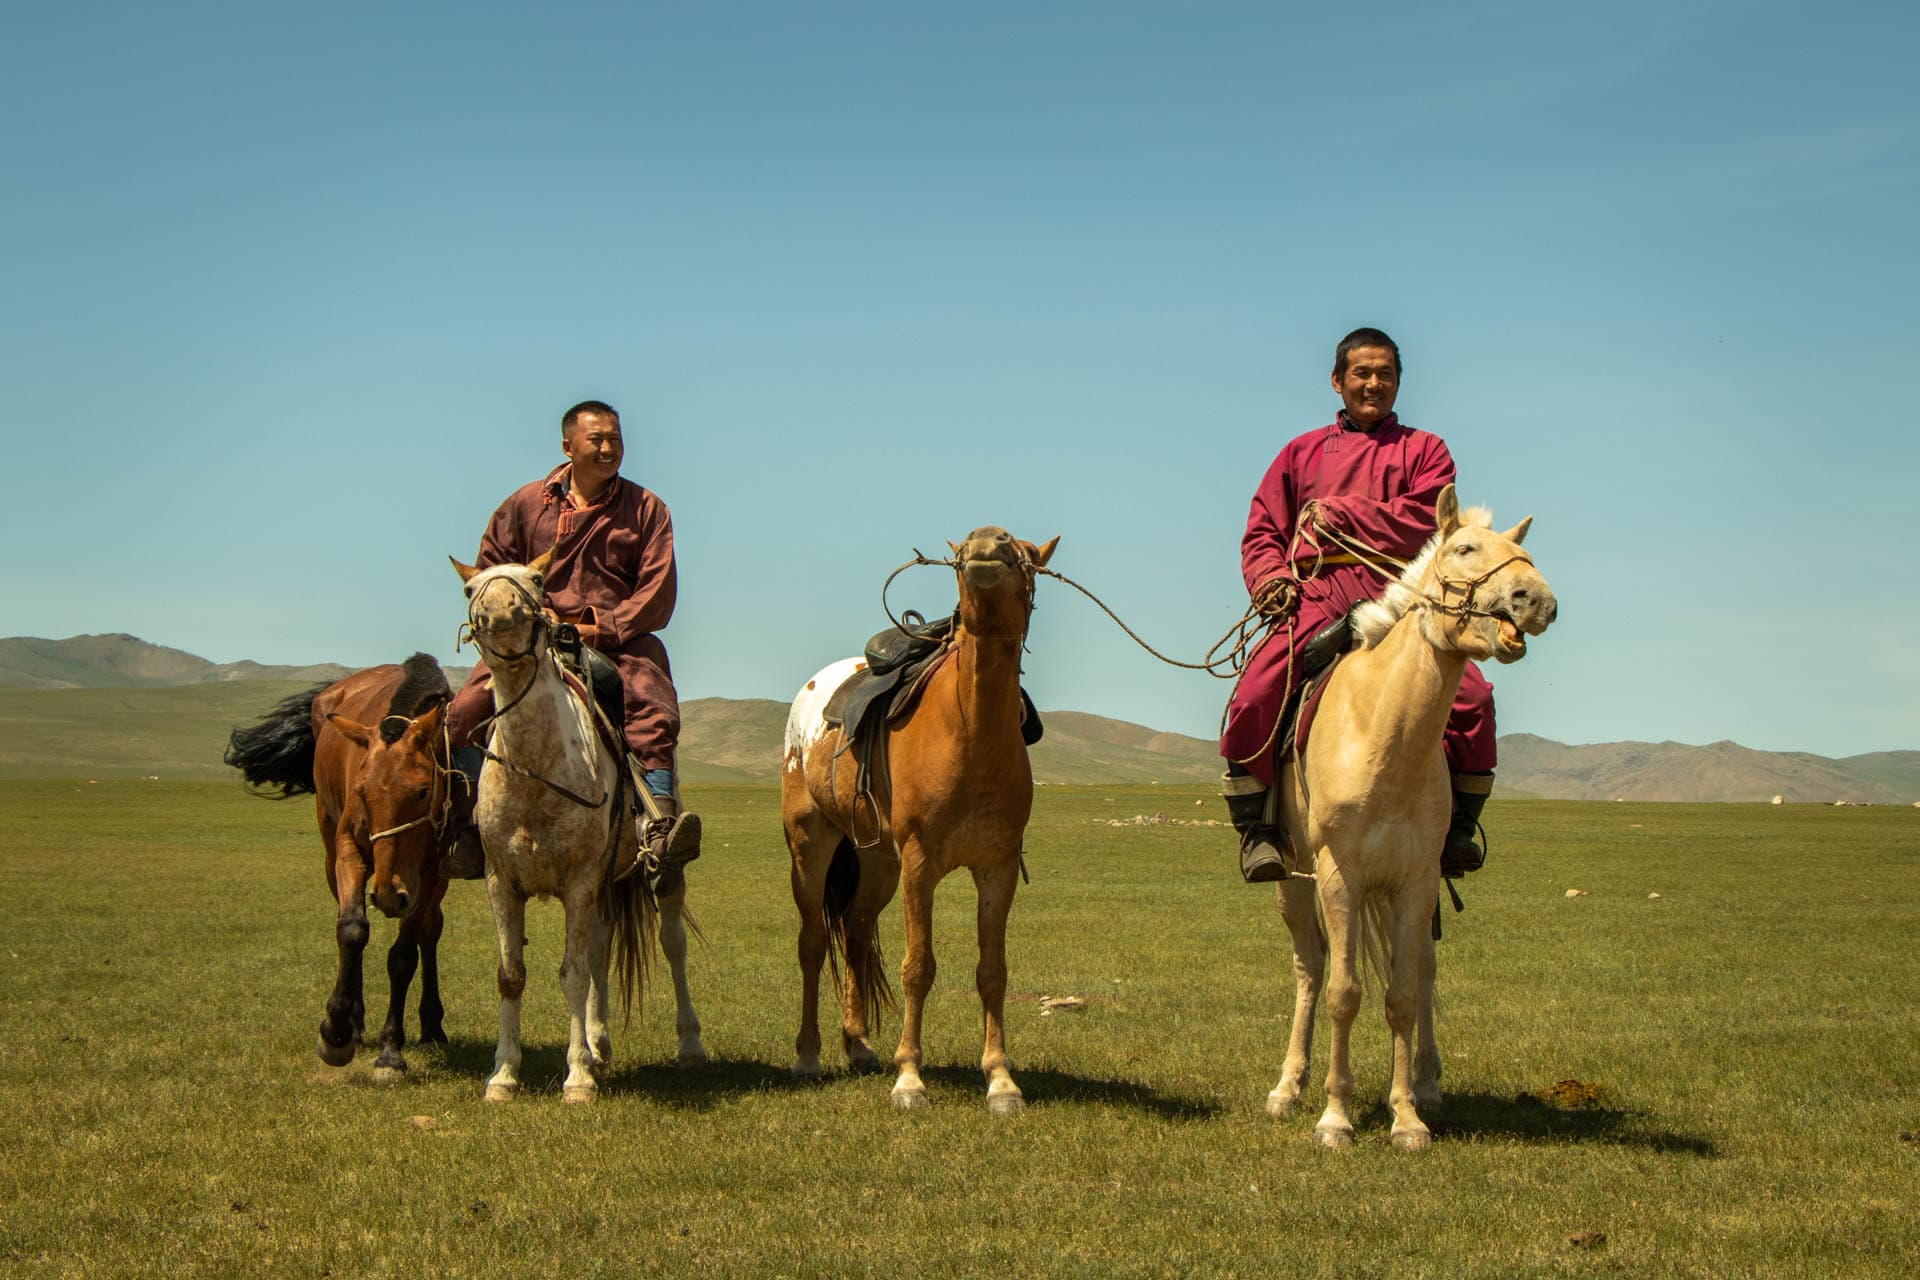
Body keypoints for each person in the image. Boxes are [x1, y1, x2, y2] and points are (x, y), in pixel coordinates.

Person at [1220, 328, 1497, 882]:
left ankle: (1458, 830)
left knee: (1474, 698)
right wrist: (1271, 578)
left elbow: (1426, 519)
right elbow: (1263, 531)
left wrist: (1341, 514)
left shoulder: (1427, 451)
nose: (1374, 384)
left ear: (1399, 382)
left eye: (1385, 374)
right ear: (1337, 380)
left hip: (1403, 595)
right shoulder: (1300, 453)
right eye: (1362, 373)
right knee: (1254, 695)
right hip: (1319, 590)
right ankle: (1259, 829)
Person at [439, 399, 699, 893]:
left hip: (620, 643)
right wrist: (525, 620)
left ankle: (660, 826)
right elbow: (492, 570)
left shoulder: (647, 509)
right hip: (532, 641)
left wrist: (598, 628)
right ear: (568, 447)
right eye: (596, 439)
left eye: (615, 439)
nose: (608, 448)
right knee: (464, 712)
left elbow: (657, 592)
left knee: (652, 709)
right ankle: (472, 828)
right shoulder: (523, 505)